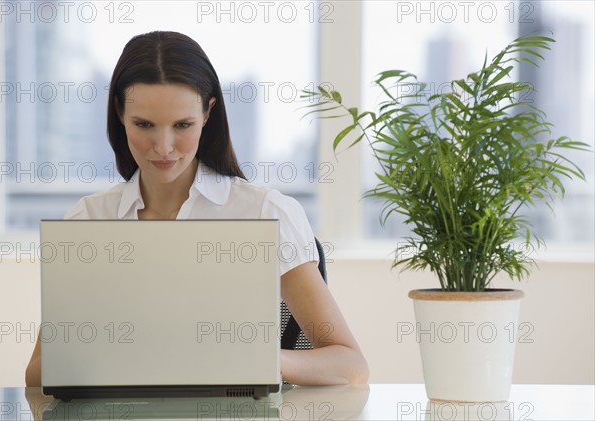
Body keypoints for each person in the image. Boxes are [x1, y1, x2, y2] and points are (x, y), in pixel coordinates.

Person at [25, 31, 368, 387]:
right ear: (119, 113)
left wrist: (260, 359)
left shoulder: (266, 212)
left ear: (208, 113)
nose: (163, 146)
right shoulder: (89, 221)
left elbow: (351, 366)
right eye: (144, 125)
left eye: (182, 125)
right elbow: (36, 374)